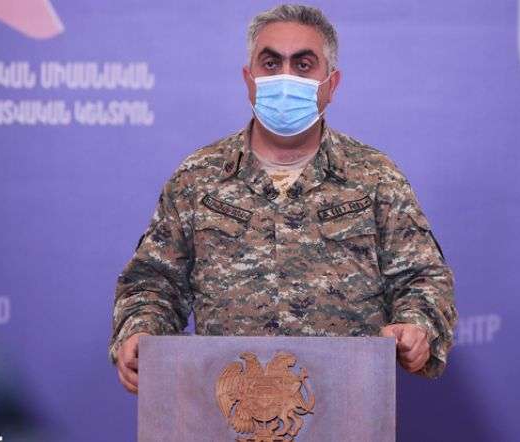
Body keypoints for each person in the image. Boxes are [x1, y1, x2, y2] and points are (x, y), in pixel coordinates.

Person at [110, 4, 456, 394]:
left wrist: (417, 326)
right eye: (271, 64)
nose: (286, 77)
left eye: (303, 65)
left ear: (332, 84)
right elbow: (154, 282)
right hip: (229, 406)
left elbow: (423, 279)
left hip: (345, 403)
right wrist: (140, 331)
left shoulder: (376, 177)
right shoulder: (198, 177)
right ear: (249, 79)